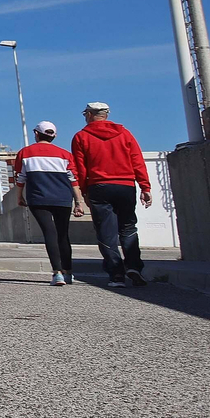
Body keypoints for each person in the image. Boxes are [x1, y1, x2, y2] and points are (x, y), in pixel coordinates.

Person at [70, 102, 152, 288]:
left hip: (99, 186)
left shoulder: (81, 137)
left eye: (85, 114)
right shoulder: (125, 134)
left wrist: (84, 193)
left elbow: (80, 169)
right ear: (106, 115)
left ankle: (116, 275)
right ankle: (134, 267)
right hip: (126, 185)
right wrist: (145, 187)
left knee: (106, 232)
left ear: (90, 115)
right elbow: (137, 161)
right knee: (128, 227)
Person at [13, 120, 86, 286]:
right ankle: (68, 273)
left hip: (38, 199)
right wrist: (78, 203)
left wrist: (20, 197)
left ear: (36, 134)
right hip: (62, 199)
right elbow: (73, 180)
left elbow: (20, 178)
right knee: (63, 234)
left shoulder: (25, 153)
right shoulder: (65, 154)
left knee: (49, 233)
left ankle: (57, 273)